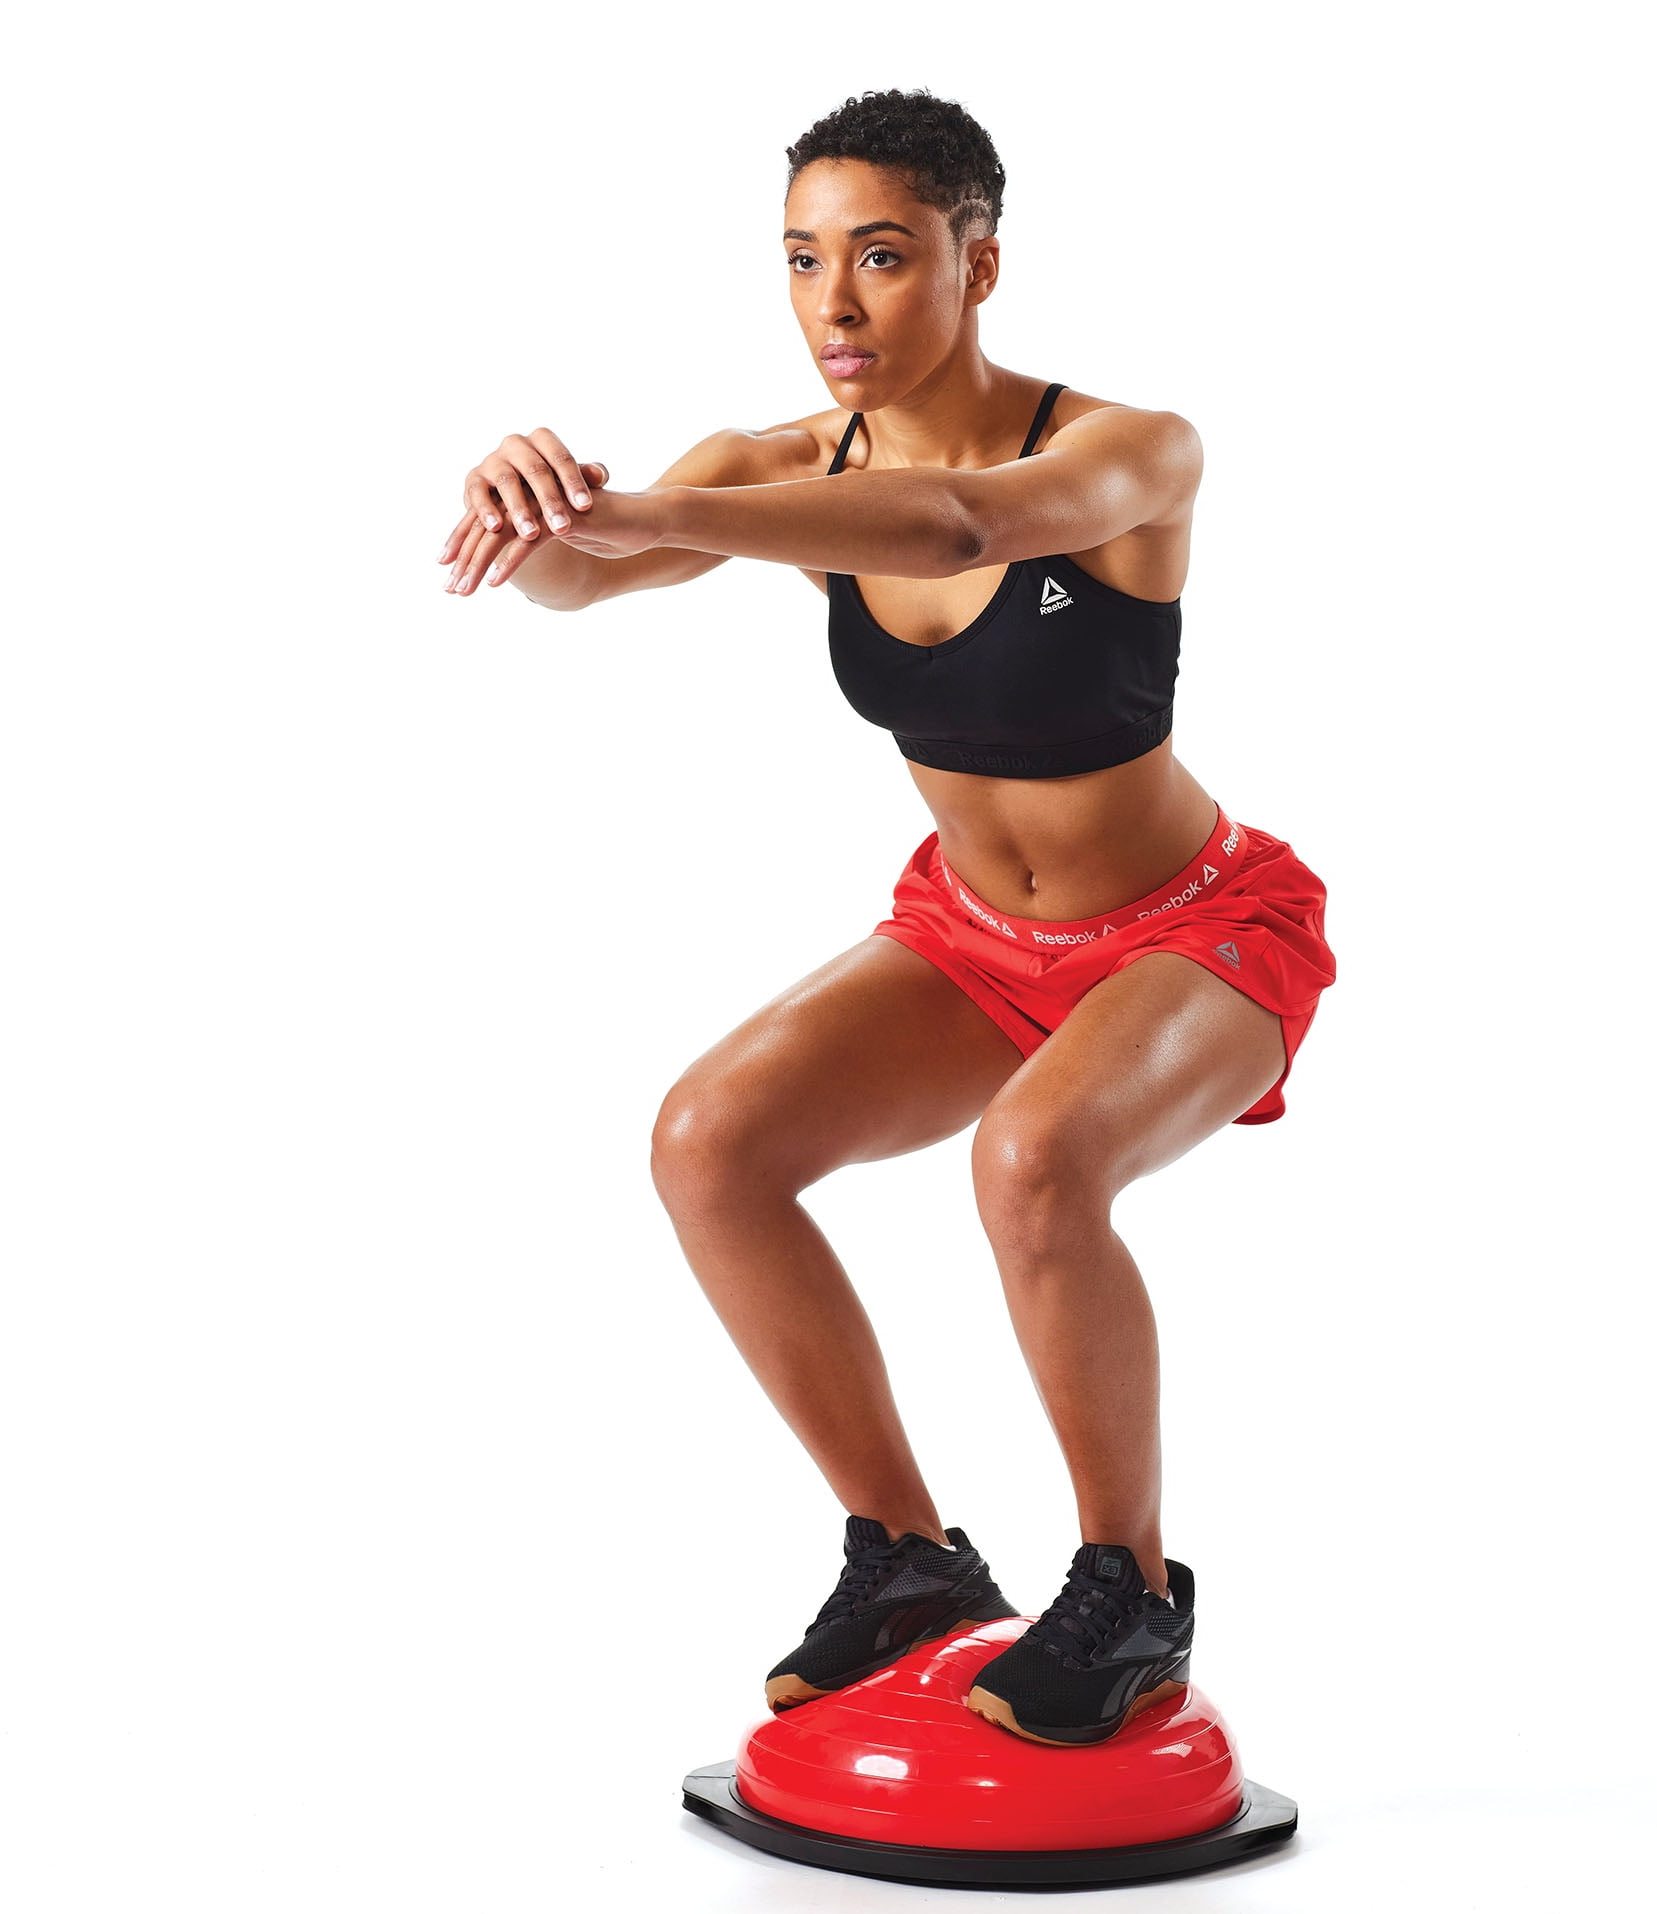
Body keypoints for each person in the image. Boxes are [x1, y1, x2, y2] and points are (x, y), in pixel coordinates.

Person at [436, 88, 1337, 1748]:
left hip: (1194, 930)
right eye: (801, 260)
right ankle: (910, 1558)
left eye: (881, 256)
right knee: (711, 1141)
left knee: (1035, 1161)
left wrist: (661, 511)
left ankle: (1131, 1589)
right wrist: (536, 502)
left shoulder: (1130, 450)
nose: (834, 305)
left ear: (977, 263)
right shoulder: (778, 471)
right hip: (973, 937)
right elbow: (573, 579)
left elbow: (962, 525)